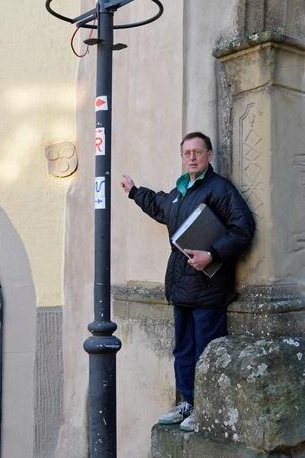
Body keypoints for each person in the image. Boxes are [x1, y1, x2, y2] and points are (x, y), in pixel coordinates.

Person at [120, 131, 255, 432]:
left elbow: (243, 229)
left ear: (208, 155)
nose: (192, 157)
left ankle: (205, 410)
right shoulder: (180, 191)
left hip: (208, 287)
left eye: (197, 151)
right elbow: (159, 206)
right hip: (181, 286)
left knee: (205, 351)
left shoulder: (219, 189)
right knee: (183, 350)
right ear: (182, 158)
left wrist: (212, 253)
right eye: (187, 153)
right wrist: (133, 192)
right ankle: (187, 404)